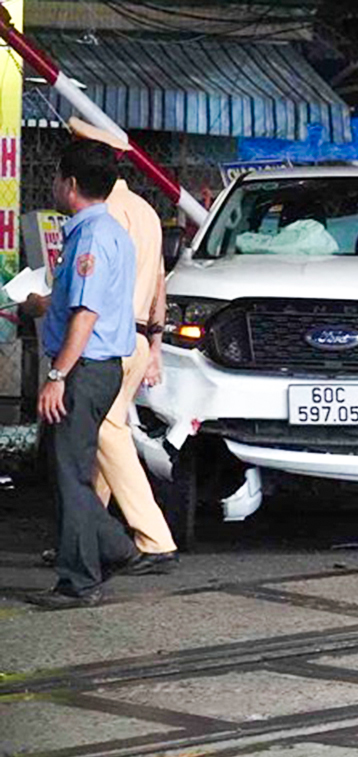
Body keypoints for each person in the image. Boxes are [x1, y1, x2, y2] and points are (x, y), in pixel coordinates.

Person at [26, 140, 140, 610]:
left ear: (69, 185)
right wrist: (41, 306)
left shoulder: (91, 239)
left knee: (71, 474)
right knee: (65, 468)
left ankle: (80, 579)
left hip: (85, 368)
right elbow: (79, 302)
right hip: (97, 366)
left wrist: (57, 375)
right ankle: (115, 550)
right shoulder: (109, 231)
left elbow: (87, 315)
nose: (54, 184)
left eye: (55, 177)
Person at [70, 119, 178, 571]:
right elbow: (158, 284)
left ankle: (154, 537)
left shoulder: (104, 216)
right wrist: (154, 345)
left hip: (107, 340)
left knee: (106, 434)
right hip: (136, 339)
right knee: (104, 438)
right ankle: (85, 536)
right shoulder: (147, 211)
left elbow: (95, 291)